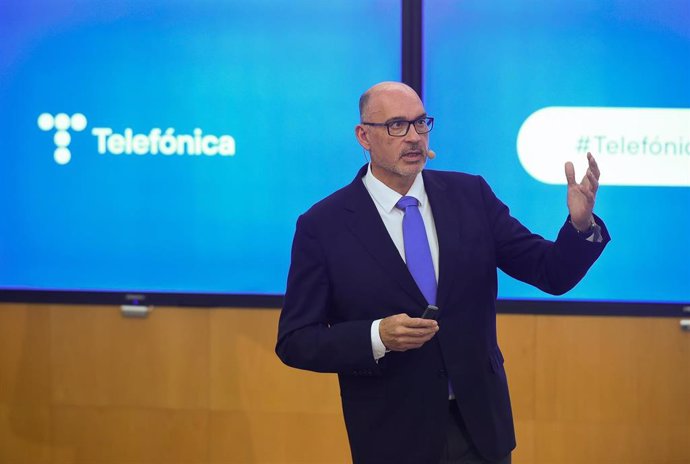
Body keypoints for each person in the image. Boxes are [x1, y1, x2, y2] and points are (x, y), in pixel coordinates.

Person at [275, 82, 610, 464]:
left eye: (421, 123)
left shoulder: (471, 196)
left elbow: (551, 273)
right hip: (392, 437)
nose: (414, 137)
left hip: (481, 431)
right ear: (364, 136)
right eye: (397, 126)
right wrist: (376, 336)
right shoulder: (324, 225)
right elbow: (295, 340)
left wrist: (580, 226)